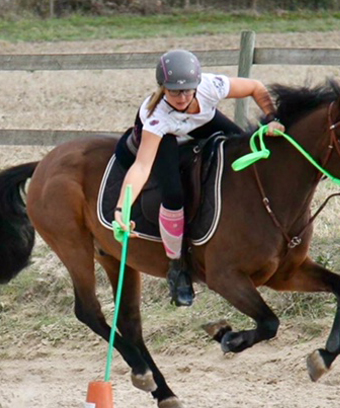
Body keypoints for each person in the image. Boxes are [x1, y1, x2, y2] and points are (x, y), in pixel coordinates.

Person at [114, 49, 284, 307]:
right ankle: (177, 266)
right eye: (173, 92)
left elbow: (256, 87)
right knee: (173, 194)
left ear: (197, 85)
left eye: (187, 91)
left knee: (242, 146)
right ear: (162, 88)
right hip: (167, 136)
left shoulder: (209, 86)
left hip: (201, 120)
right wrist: (121, 209)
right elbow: (141, 166)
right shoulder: (155, 115)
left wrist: (272, 119)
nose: (181, 97)